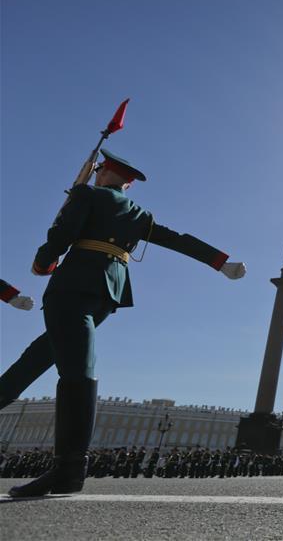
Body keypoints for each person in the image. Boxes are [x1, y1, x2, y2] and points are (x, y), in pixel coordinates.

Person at [5, 149, 247, 498]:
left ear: (102, 172)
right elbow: (175, 239)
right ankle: (66, 468)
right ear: (128, 184)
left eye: (99, 170)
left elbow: (60, 235)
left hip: (71, 287)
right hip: (106, 294)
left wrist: (42, 264)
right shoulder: (138, 213)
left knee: (75, 370)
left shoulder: (86, 193)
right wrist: (219, 262)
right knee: (38, 359)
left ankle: (68, 469)